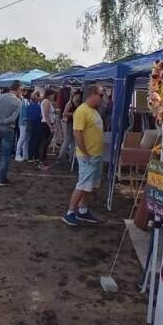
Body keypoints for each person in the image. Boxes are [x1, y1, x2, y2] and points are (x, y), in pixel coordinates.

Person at [62, 85, 104, 226]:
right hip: (88, 155)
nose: (102, 98)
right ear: (93, 94)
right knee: (83, 184)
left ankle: (83, 210)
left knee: (89, 186)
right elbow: (77, 134)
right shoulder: (81, 111)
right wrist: (85, 152)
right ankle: (70, 212)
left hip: (96, 154)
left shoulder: (93, 111)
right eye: (101, 95)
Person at [0, 81, 23, 186]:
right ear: (18, 89)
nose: (22, 92)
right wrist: (1, 122)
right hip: (8, 129)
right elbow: (13, 118)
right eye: (21, 90)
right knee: (5, 155)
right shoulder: (18, 102)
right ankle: (2, 179)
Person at [56, 90, 81, 165]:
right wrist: (74, 113)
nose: (78, 97)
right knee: (67, 140)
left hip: (76, 123)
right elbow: (64, 113)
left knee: (73, 141)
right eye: (77, 96)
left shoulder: (79, 103)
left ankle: (71, 157)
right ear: (74, 95)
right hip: (70, 123)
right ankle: (60, 157)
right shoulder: (70, 103)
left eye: (79, 96)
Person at [37, 88, 57, 170]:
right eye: (53, 95)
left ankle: (43, 160)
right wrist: (50, 126)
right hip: (46, 124)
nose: (54, 96)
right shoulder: (47, 102)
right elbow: (46, 115)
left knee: (44, 143)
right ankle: (41, 161)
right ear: (50, 94)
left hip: (45, 123)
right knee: (44, 143)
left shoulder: (45, 102)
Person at [25, 89, 43, 162]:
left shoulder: (29, 106)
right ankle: (35, 156)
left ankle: (30, 157)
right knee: (36, 141)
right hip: (37, 124)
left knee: (31, 140)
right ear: (37, 97)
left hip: (30, 124)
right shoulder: (38, 107)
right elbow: (39, 116)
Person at [15, 89, 32, 162]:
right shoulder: (25, 102)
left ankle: (25, 155)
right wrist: (26, 122)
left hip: (25, 123)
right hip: (23, 123)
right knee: (22, 138)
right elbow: (24, 114)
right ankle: (18, 154)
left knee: (26, 139)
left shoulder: (27, 101)